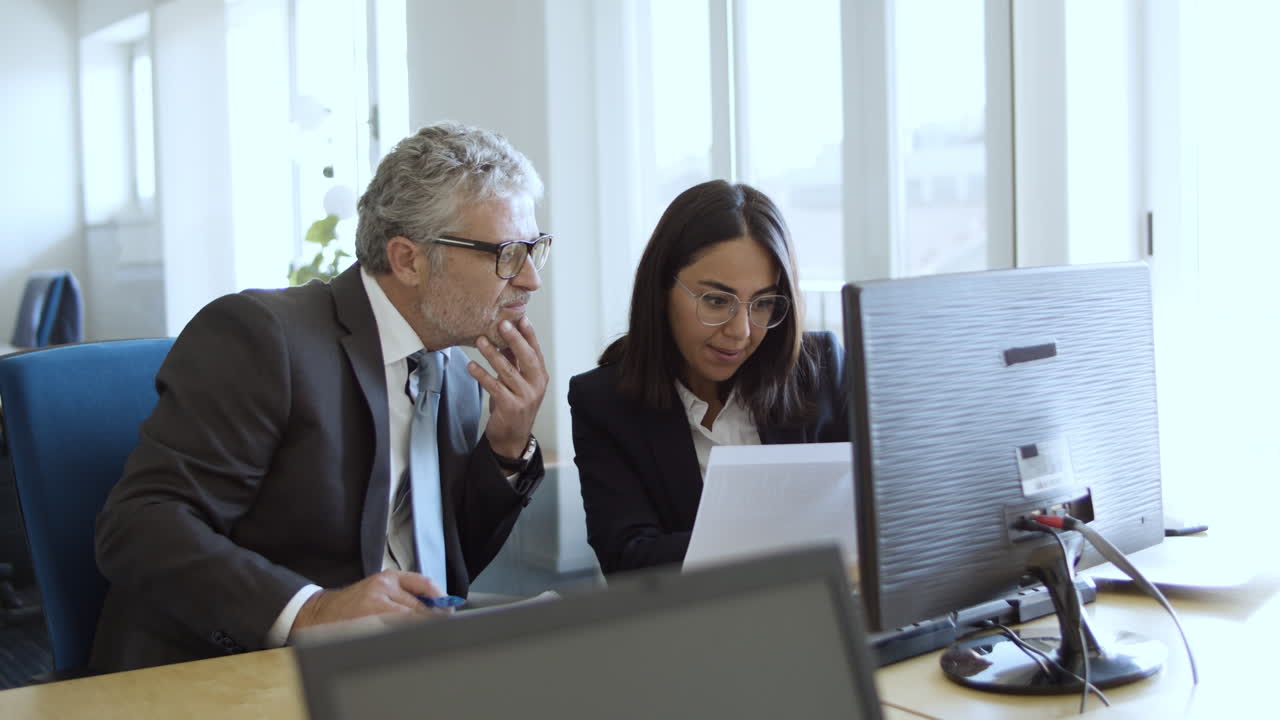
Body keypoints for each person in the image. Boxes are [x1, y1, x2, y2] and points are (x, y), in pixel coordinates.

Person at [92, 122, 550, 672]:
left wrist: (505, 447)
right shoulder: (264, 338)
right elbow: (140, 525)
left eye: (533, 250)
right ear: (407, 260)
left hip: (394, 668)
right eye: (506, 254)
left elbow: (446, 570)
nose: (530, 280)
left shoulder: (452, 367)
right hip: (237, 671)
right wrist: (311, 611)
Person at [569, 180, 849, 576]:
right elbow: (630, 562)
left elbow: (879, 509)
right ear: (663, 288)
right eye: (717, 301)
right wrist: (786, 541)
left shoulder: (821, 368)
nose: (742, 331)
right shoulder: (603, 401)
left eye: (764, 304)